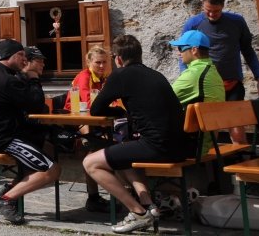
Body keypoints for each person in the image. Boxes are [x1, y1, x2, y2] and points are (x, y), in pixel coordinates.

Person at [83, 35, 194, 234]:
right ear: (139, 55)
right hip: (181, 146)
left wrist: (120, 112)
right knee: (123, 152)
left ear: (117, 59)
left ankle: (138, 214)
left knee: (90, 162)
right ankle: (148, 205)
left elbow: (96, 109)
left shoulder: (121, 75)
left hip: (157, 147)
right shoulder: (155, 74)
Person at [0, 39, 62, 225]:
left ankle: (9, 187)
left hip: (4, 133)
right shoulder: (7, 80)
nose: (25, 60)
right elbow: (37, 105)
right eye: (22, 55)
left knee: (48, 147)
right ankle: (6, 200)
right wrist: (33, 80)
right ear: (11, 56)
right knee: (52, 169)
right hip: (1, 138)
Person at [180, 0, 259, 144]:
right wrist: (186, 78)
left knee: (237, 132)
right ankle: (214, 168)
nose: (212, 14)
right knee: (211, 133)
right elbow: (184, 55)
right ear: (203, 5)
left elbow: (248, 51)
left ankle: (243, 168)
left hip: (232, 83)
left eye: (216, 11)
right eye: (208, 10)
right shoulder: (193, 24)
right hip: (207, 87)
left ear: (223, 6)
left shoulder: (237, 22)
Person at [66, 46, 112, 214]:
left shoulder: (106, 78)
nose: (101, 66)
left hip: (99, 120)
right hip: (78, 118)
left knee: (101, 149)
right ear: (89, 62)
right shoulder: (84, 76)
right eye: (98, 62)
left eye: (104, 62)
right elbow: (87, 101)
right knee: (96, 149)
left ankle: (93, 142)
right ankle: (90, 141)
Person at [170, 30, 225, 153]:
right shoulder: (212, 71)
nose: (179, 53)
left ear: (194, 50)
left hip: (193, 145)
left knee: (121, 153)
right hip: (206, 141)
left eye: (181, 48)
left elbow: (163, 100)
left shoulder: (194, 74)